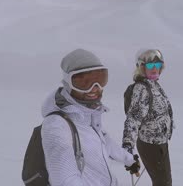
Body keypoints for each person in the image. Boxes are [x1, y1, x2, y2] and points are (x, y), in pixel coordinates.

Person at [41, 48, 140, 186]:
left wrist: (130, 160)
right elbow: (64, 179)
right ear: (67, 82)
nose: (94, 88)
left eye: (100, 80)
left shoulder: (88, 116)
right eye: (83, 82)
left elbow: (106, 143)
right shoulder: (56, 125)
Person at [122, 49, 174, 186]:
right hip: (151, 146)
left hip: (160, 144)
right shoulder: (142, 89)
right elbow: (133, 118)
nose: (155, 69)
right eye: (151, 65)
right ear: (141, 67)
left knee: (164, 182)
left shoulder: (154, 85)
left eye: (158, 65)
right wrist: (128, 146)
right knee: (163, 183)